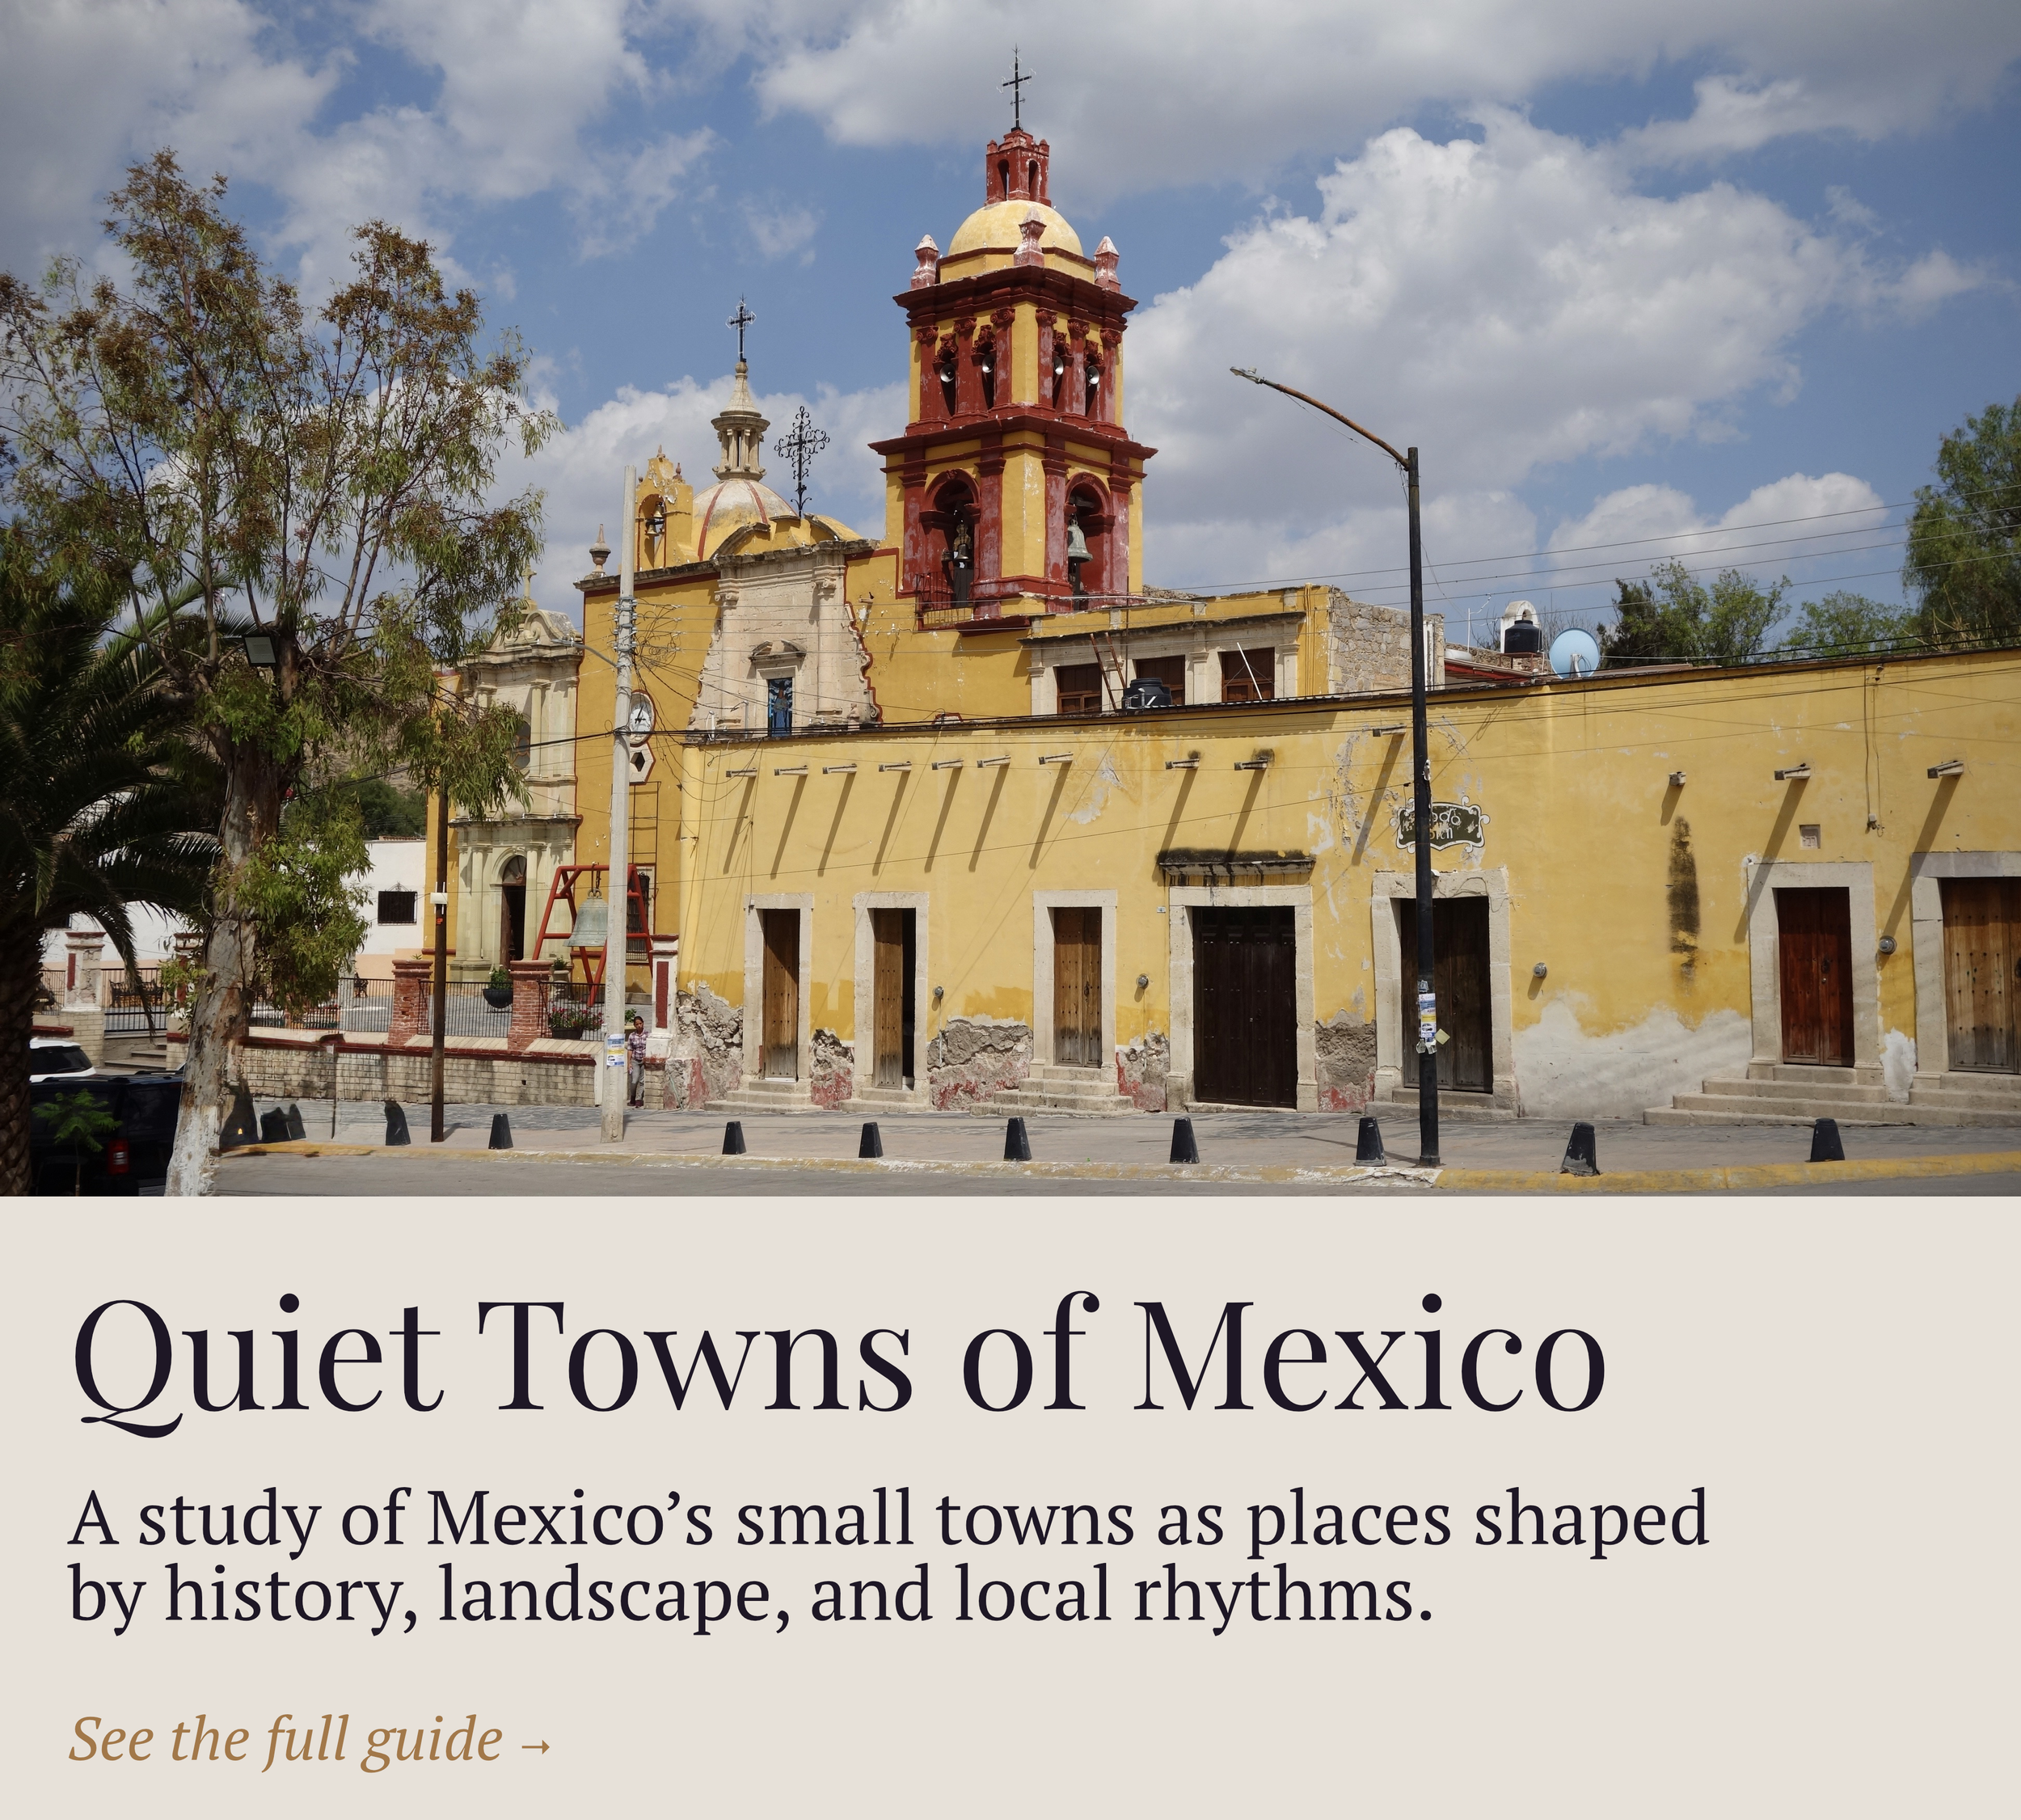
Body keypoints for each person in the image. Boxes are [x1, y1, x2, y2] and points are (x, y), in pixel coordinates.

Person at [626, 1013, 647, 1108]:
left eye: (640, 1023)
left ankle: (639, 1099)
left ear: (643, 1024)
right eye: (637, 1024)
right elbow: (630, 1049)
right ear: (635, 1025)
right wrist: (629, 1063)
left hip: (644, 1061)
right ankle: (633, 1097)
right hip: (635, 1060)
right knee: (635, 1080)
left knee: (642, 1081)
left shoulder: (647, 1035)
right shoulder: (632, 1036)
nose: (639, 1025)